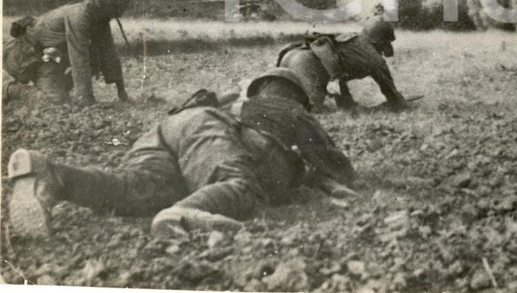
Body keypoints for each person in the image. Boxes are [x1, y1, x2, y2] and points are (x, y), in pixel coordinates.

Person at [6, 67, 356, 238]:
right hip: (212, 133)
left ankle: (53, 175)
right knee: (239, 185)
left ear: (260, 86)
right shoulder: (290, 110)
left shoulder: (235, 100)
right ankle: (183, 215)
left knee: (131, 188)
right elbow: (339, 169)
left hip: (170, 128)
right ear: (293, 94)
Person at [2, 0, 134, 105]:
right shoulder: (80, 16)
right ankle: (9, 89)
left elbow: (109, 53)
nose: (122, 9)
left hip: (50, 59)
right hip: (29, 58)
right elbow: (79, 57)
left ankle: (54, 87)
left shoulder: (100, 18)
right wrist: (86, 98)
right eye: (121, 5)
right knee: (56, 102)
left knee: (96, 58)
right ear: (110, 2)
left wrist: (122, 92)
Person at [276, 18, 407, 111]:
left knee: (282, 95)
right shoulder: (375, 59)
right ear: (381, 42)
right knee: (312, 110)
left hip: (293, 55)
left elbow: (338, 70)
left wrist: (347, 104)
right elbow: (388, 88)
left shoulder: (354, 39)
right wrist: (399, 102)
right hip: (307, 63)